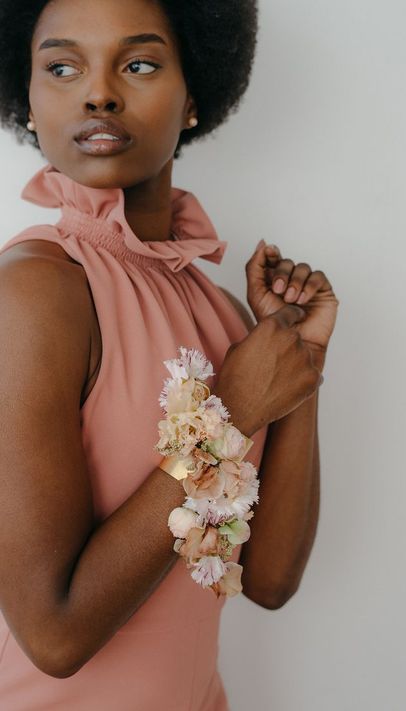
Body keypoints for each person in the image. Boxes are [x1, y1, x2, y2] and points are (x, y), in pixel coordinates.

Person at [0, 0, 339, 708]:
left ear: (193, 99)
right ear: (26, 100)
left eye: (140, 63)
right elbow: (54, 635)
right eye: (61, 66)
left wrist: (296, 368)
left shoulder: (221, 310)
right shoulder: (36, 293)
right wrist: (235, 410)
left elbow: (271, 580)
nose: (97, 92)